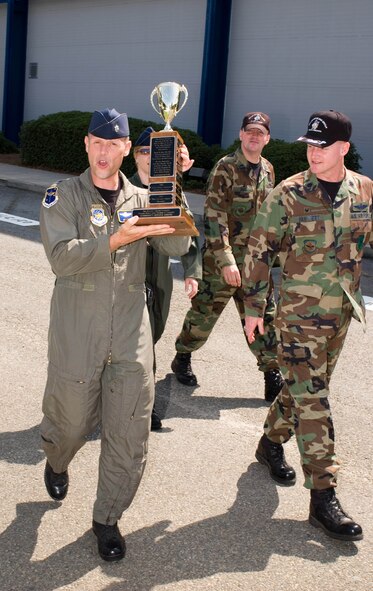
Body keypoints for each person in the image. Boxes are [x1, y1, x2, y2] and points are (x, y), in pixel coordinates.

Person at [39, 108, 191, 562]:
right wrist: (114, 240)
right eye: (97, 143)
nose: (105, 153)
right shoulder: (61, 195)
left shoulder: (144, 198)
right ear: (86, 144)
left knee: (128, 434)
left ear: (128, 149)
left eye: (114, 144)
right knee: (70, 424)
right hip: (77, 332)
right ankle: (57, 459)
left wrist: (171, 186)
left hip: (130, 335)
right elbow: (61, 258)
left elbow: (178, 245)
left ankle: (107, 518)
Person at [243, 110, 372, 541]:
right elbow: (259, 250)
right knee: (314, 399)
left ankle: (269, 443)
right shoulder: (289, 193)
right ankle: (323, 496)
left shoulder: (364, 191)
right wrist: (253, 308)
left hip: (340, 317)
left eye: (322, 146)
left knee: (302, 392)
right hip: (297, 319)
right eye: (309, 145)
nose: (313, 153)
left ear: (343, 149)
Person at [171, 112, 283, 402]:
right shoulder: (226, 168)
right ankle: (182, 355)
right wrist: (226, 260)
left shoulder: (269, 170)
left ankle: (272, 373)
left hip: (255, 265)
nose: (255, 136)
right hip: (222, 263)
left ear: (267, 138)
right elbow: (213, 217)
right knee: (203, 316)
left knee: (263, 319)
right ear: (241, 134)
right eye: (250, 131)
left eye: (260, 132)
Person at [129, 127, 202, 429]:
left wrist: (192, 271)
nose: (148, 158)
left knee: (154, 333)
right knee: (139, 344)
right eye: (143, 152)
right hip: (130, 277)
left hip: (159, 277)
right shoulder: (123, 189)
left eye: (154, 152)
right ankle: (144, 407)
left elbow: (187, 229)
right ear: (134, 156)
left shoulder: (168, 190)